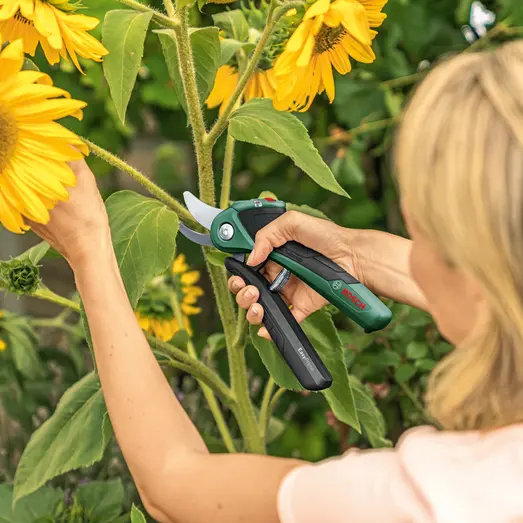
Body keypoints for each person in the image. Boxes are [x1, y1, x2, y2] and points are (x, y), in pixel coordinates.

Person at [31, 40, 523, 523]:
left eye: (422, 234)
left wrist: (90, 249)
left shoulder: (431, 499)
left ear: (476, 274)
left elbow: (173, 484)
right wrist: (353, 254)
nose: (413, 254)